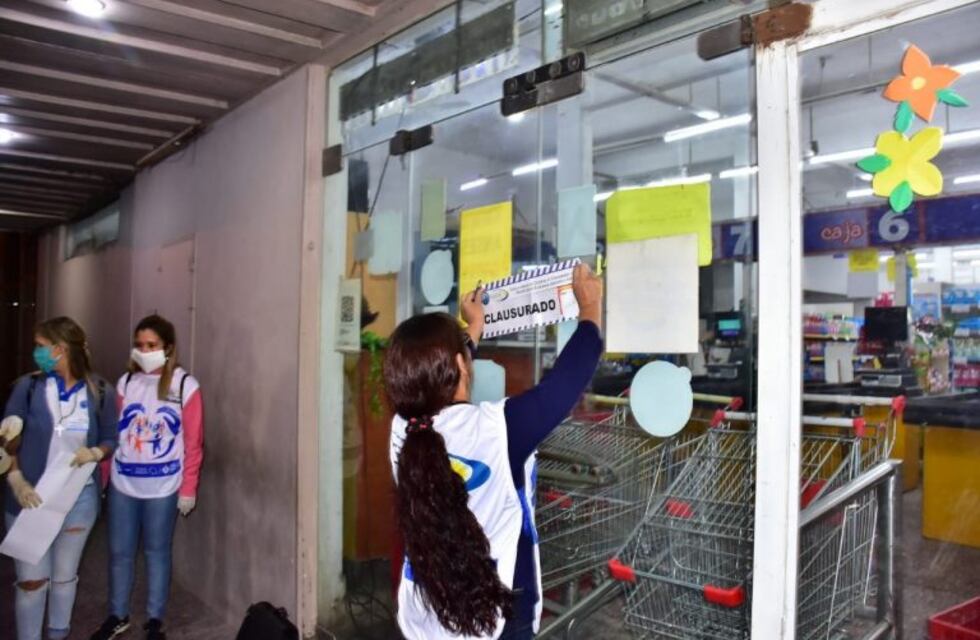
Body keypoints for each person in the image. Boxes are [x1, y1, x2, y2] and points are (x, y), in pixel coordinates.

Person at [386, 263, 604, 639]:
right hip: (494, 618)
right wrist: (590, 310)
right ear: (460, 365)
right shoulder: (498, 430)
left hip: (427, 614)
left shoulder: (402, 431)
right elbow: (564, 383)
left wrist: (472, 330)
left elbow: (436, 372)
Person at [89, 315, 203, 640]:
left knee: (156, 552)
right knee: (119, 553)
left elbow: (194, 444)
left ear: (167, 348)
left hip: (163, 487)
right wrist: (104, 479)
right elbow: (116, 435)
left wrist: (188, 488)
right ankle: (117, 615)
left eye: (151, 345)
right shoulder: (125, 383)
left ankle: (155, 620)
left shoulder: (185, 386)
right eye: (139, 345)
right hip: (124, 485)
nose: (144, 351)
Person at [3, 317, 118, 640]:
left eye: (40, 346)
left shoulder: (99, 390)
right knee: (31, 583)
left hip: (78, 499)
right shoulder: (28, 388)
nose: (36, 353)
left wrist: (96, 453)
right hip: (29, 499)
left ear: (60, 349)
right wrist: (15, 479)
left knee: (65, 578)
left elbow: (112, 435)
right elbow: (6, 439)